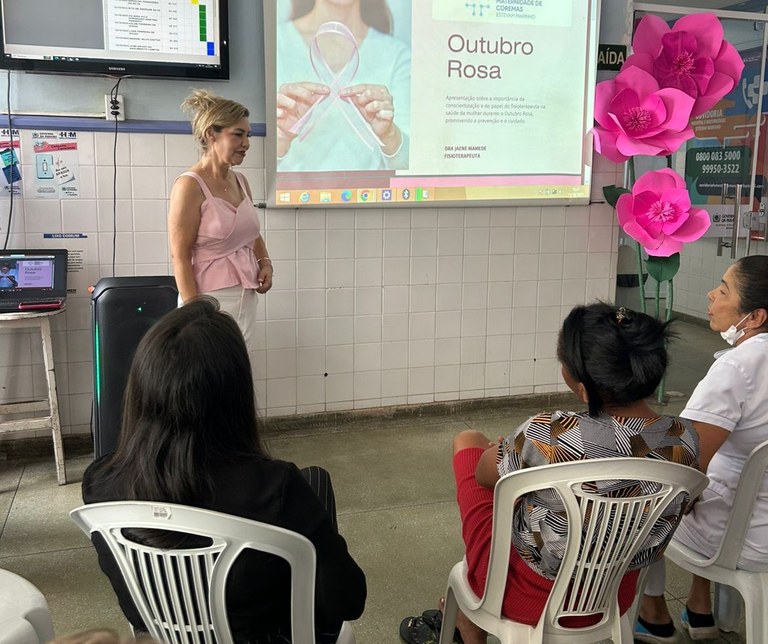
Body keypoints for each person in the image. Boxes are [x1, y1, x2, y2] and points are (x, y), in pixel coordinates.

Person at [401, 303, 700, 644]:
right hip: (614, 593)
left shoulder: (548, 433)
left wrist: (504, 452)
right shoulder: (685, 439)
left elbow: (485, 476)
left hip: (525, 596)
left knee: (467, 442)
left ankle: (471, 622)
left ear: (583, 387)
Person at [81, 297, 366, 644]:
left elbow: (131, 604)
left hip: (160, 638)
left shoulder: (99, 484)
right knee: (315, 481)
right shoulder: (276, 489)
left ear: (141, 389)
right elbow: (347, 602)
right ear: (234, 393)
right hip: (270, 636)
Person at [636, 255, 768, 644]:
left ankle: (653, 614)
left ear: (755, 316)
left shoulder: (739, 367)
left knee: (648, 488)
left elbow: (682, 462)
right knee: (719, 476)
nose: (711, 295)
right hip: (756, 509)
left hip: (744, 535)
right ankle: (700, 607)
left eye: (723, 290)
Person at [168, 90, 272, 348]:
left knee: (236, 370)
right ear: (211, 134)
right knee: (206, 374)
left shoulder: (241, 181)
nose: (247, 143)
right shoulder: (189, 186)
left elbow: (250, 233)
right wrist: (195, 316)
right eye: (238, 134)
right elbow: (179, 257)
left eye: (248, 135)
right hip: (207, 302)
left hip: (245, 298)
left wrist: (265, 262)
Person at [276, 0, 410, 171]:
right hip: (290, 196)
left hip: (372, 196)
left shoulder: (397, 55)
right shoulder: (277, 44)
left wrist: (389, 134)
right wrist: (281, 137)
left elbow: (412, 165)